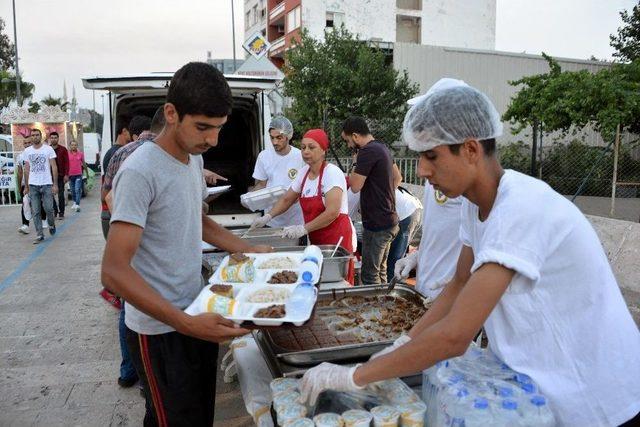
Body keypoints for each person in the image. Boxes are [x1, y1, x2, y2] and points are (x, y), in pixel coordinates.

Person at [298, 83, 640, 426]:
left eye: (432, 156)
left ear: (472, 149)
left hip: (595, 397)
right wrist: (402, 343)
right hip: (537, 393)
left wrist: (355, 376)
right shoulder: (475, 206)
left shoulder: (520, 208)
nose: (423, 170)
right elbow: (460, 283)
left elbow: (455, 336)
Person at [102, 62, 272, 426]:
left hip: (196, 311)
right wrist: (185, 323)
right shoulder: (139, 171)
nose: (212, 139)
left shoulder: (192, 160)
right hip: (160, 329)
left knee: (196, 416)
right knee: (169, 418)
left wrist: (244, 247)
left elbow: (196, 219)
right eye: (202, 127)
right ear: (171, 113)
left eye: (218, 128)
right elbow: (114, 272)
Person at [393, 78, 467, 299]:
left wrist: (458, 291)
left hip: (451, 297)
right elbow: (437, 228)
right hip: (426, 288)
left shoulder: (467, 181)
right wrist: (416, 257)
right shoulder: (434, 171)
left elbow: (475, 245)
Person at [251, 129, 355, 254]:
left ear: (323, 150)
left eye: (311, 147)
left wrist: (303, 229)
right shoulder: (303, 173)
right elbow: (287, 199)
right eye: (303, 147)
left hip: (336, 239)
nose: (306, 151)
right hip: (316, 237)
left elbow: (332, 212)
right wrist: (268, 216)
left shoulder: (332, 173)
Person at [342, 117, 401, 285]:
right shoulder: (383, 148)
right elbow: (398, 178)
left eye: (347, 141)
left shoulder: (367, 152)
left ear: (354, 135)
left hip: (377, 224)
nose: (348, 146)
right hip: (389, 219)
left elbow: (355, 186)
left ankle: (374, 309)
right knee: (380, 270)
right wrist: (382, 196)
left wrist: (355, 163)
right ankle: (384, 306)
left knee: (369, 275)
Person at [250, 116, 305, 228]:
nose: (275, 142)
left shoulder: (300, 157)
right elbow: (261, 184)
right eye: (272, 138)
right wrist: (250, 198)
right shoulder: (264, 156)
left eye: (279, 138)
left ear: (288, 136)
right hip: (271, 220)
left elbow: (305, 187)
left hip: (296, 220)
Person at [23, 129, 57, 244]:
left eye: (37, 135)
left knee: (49, 209)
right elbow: (26, 169)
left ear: (41, 136)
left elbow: (54, 167)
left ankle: (51, 224)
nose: (35, 137)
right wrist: (26, 186)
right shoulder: (27, 151)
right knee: (36, 211)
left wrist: (55, 184)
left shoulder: (48, 149)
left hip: (47, 183)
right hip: (33, 185)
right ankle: (39, 234)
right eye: (33, 135)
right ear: (31, 137)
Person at [385, 187, 422, 283]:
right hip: (413, 209)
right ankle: (396, 284)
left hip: (407, 214)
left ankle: (394, 290)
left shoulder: (356, 187)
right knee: (399, 257)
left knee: (395, 259)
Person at [48, 132, 69, 220]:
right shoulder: (47, 149)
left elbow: (66, 163)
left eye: (55, 137)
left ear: (58, 138)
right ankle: (55, 210)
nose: (53, 139)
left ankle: (61, 212)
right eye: (52, 137)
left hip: (60, 175)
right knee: (50, 195)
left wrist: (66, 174)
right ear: (50, 139)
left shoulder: (63, 149)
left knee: (60, 195)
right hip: (49, 176)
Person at [16, 137, 32, 234]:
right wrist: (19, 186)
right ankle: (25, 225)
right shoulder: (20, 156)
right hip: (24, 184)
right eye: (25, 143)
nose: (27, 144)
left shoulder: (36, 154)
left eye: (29, 142)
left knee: (38, 204)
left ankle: (44, 219)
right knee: (25, 204)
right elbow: (19, 172)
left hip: (36, 183)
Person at [67, 140, 88, 212]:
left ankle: (78, 204)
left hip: (78, 175)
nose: (74, 146)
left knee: (77, 189)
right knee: (72, 190)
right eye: (72, 145)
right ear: (70, 146)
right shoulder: (67, 154)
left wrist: (87, 173)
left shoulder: (80, 154)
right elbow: (66, 165)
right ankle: (74, 202)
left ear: (77, 146)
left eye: (75, 145)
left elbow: (84, 164)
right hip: (70, 175)